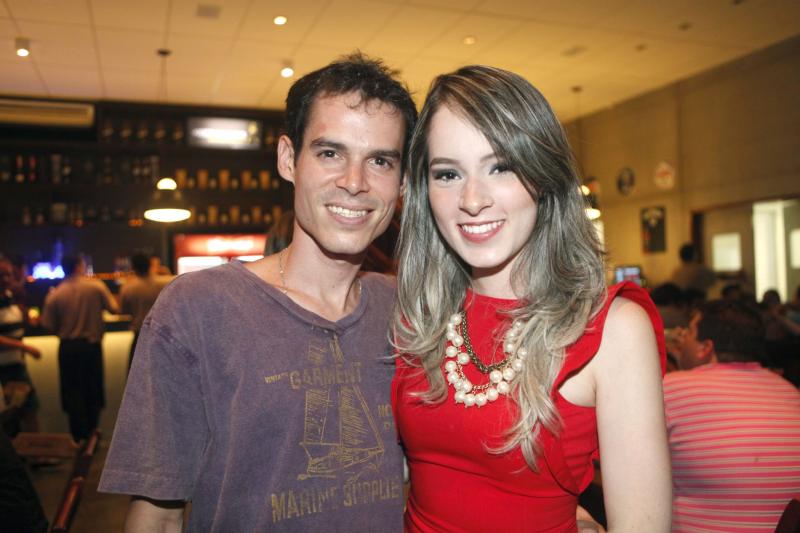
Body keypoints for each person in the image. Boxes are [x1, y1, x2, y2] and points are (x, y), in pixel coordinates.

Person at [99, 53, 417, 532]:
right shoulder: (198, 308)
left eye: (380, 161)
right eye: (330, 153)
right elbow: (159, 516)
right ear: (288, 159)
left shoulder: (408, 309)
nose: (355, 182)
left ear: (402, 182)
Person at [392, 65, 671, 532]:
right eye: (448, 174)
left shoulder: (612, 329)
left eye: (500, 167)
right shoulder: (417, 313)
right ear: (425, 190)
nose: (472, 199)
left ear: (543, 176)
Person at [666, 299, 800, 532]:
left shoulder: (671, 388)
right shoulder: (791, 393)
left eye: (688, 333)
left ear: (705, 348)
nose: (681, 340)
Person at [41, 254, 119, 442]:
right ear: (79, 265)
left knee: (72, 392)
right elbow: (114, 308)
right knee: (93, 390)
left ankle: (78, 438)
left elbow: (48, 325)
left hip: (68, 348)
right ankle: (92, 435)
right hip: (91, 346)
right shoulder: (96, 286)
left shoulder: (56, 293)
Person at [0, 257, 42, 435]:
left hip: (17, 366)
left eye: (8, 275)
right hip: (3, 369)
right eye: (1, 275)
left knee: (30, 409)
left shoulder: (10, 299)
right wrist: (25, 348)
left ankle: (33, 449)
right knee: (9, 417)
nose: (6, 279)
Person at [119, 252, 170, 369]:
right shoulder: (165, 283)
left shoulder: (128, 287)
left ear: (133, 267)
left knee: (137, 374)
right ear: (150, 264)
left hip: (139, 335)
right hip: (163, 336)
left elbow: (123, 311)